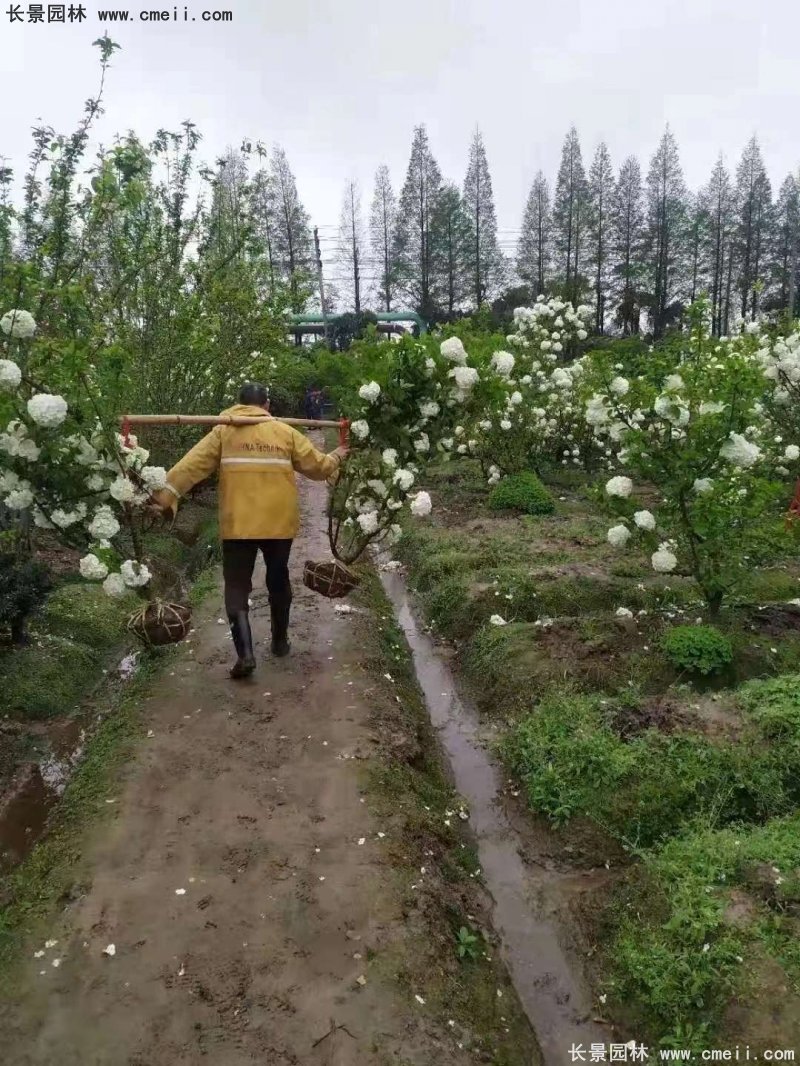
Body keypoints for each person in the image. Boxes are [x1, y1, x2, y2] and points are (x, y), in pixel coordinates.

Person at [151, 382, 348, 679]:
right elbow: (318, 468)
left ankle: (245, 655)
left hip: (238, 523)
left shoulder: (223, 432)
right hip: (278, 523)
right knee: (278, 578)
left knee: (236, 586)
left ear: (238, 404)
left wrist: (162, 497)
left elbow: (190, 467)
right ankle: (280, 643)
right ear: (266, 405)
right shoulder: (284, 432)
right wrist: (339, 454)